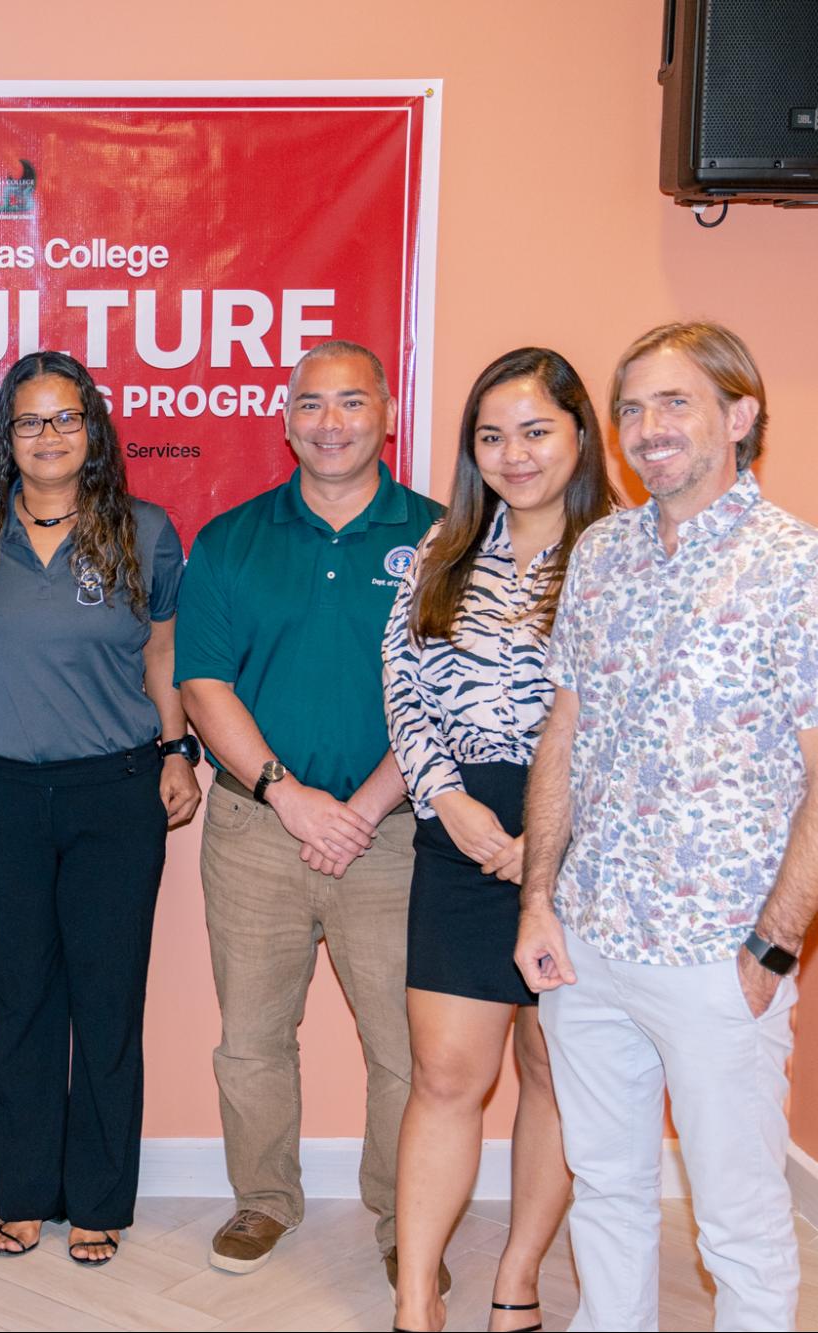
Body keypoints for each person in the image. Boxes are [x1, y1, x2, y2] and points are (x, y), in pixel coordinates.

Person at [515, 322, 818, 1332]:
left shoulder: (795, 568)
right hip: (588, 939)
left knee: (737, 1220)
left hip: (715, 956)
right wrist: (537, 902)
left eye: (674, 402)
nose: (647, 429)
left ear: (740, 415)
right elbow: (563, 731)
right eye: (631, 408)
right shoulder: (601, 553)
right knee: (605, 1187)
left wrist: (774, 941)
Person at [175, 340, 444, 1282]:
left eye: (352, 403)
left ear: (386, 415)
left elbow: (454, 694)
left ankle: (403, 1218)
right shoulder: (231, 538)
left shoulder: (445, 538)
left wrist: (362, 809)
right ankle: (263, 1200)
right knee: (249, 1039)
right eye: (311, 405)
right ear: (285, 422)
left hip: (399, 836)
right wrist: (287, 795)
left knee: (408, 1050)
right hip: (256, 831)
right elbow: (203, 684)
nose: (331, 423)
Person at [0, 350, 199, 1267]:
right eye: (28, 421)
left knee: (106, 998)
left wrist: (176, 751)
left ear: (91, 431)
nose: (47, 436)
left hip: (115, 793)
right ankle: (22, 1192)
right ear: (5, 439)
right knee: (18, 1001)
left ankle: (96, 1198)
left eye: (65, 418)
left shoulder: (146, 530)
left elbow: (163, 652)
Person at [383, 349, 616, 1332]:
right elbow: (403, 691)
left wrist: (552, 842)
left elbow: (640, 719)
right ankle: (411, 1296)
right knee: (444, 1075)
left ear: (576, 435)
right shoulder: (441, 551)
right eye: (491, 436)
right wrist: (449, 803)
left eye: (534, 430)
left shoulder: (625, 556)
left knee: (551, 1069)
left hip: (589, 844)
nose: (512, 454)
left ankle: (516, 1277)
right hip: (461, 831)